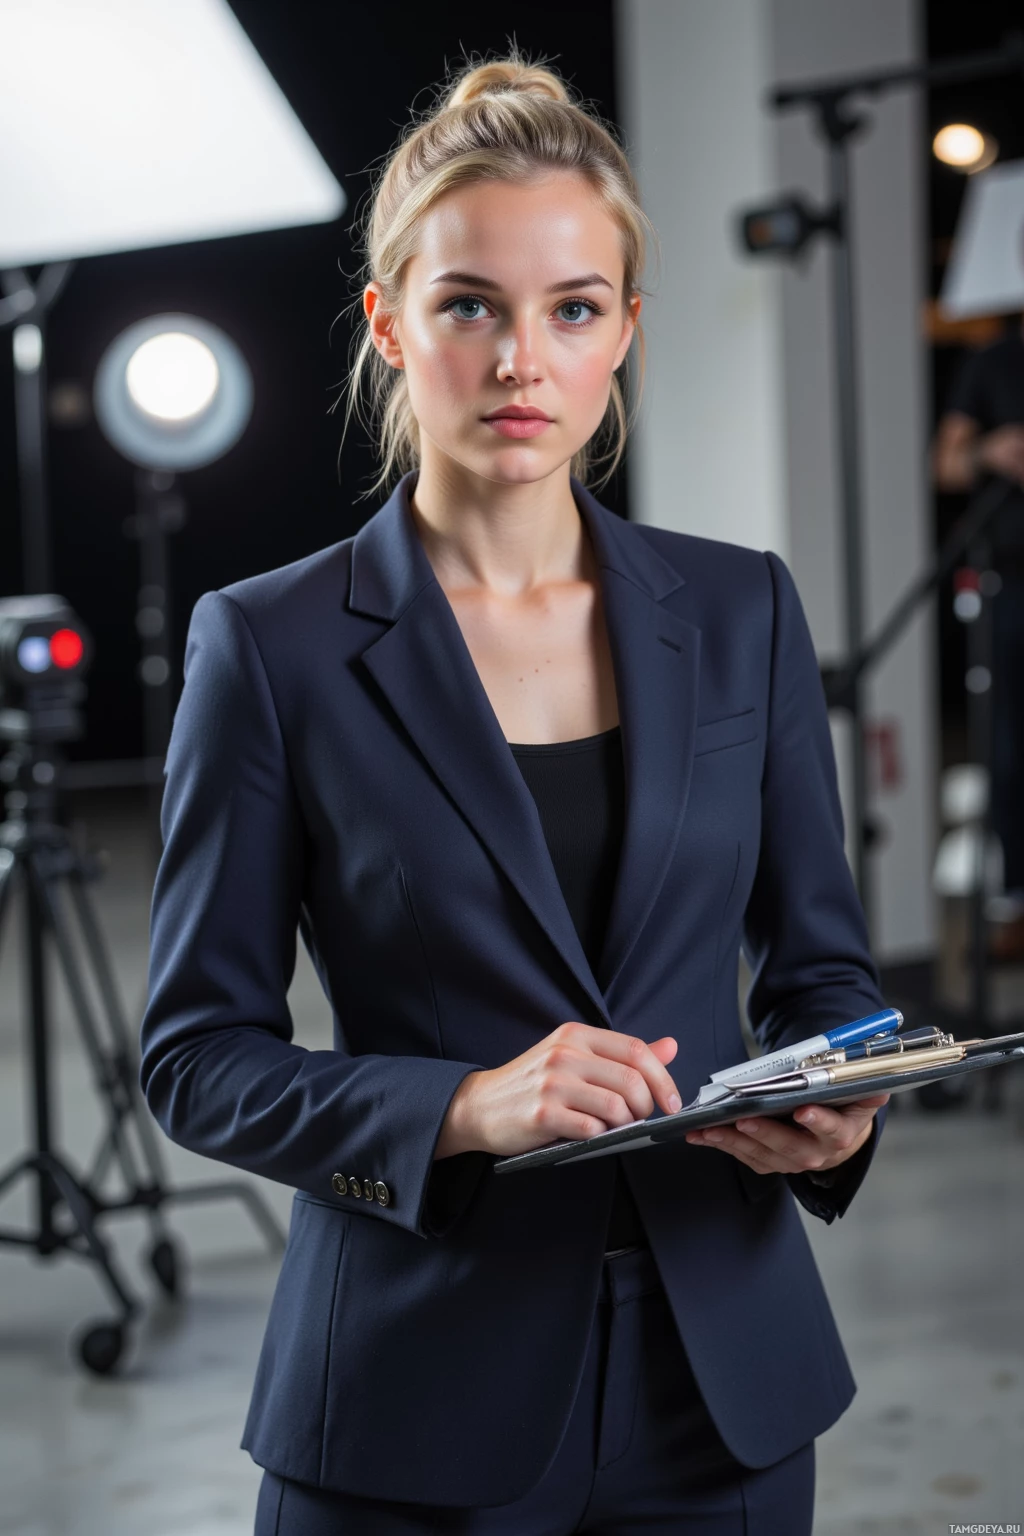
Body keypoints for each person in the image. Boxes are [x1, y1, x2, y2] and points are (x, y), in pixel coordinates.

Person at [139, 48, 890, 1536]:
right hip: (409, 1397)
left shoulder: (739, 611)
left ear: (626, 332)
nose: (519, 362)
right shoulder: (270, 645)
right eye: (470, 305)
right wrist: (466, 1107)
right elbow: (196, 1057)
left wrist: (841, 1102)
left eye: (574, 309)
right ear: (390, 324)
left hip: (723, 1395)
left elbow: (824, 971)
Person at [934, 316, 1024, 960]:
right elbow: (946, 463)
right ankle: (1015, 901)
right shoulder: (993, 361)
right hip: (1008, 581)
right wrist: (992, 451)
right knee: (1008, 747)